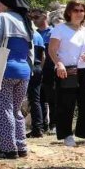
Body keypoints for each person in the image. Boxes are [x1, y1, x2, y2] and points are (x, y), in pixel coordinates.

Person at [49, 0, 85, 148]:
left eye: (82, 10)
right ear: (69, 12)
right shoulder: (60, 29)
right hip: (67, 69)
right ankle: (67, 135)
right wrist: (59, 64)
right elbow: (52, 49)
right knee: (66, 103)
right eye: (76, 10)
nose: (79, 13)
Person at [0, 0, 34, 159]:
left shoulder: (1, 18)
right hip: (23, 70)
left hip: (4, 69)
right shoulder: (26, 21)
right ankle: (21, 145)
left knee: (3, 109)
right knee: (16, 110)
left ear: (4, 3)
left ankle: (8, 149)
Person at [30, 8, 55, 135]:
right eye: (32, 18)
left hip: (51, 69)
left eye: (36, 17)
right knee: (40, 99)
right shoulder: (35, 33)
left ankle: (54, 125)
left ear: (44, 16)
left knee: (52, 97)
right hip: (39, 71)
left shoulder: (53, 32)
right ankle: (43, 125)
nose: (34, 20)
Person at [26, 9, 48, 138]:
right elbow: (43, 56)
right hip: (38, 67)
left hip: (28, 67)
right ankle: (38, 128)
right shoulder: (38, 35)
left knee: (30, 99)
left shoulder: (27, 34)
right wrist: (40, 69)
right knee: (36, 99)